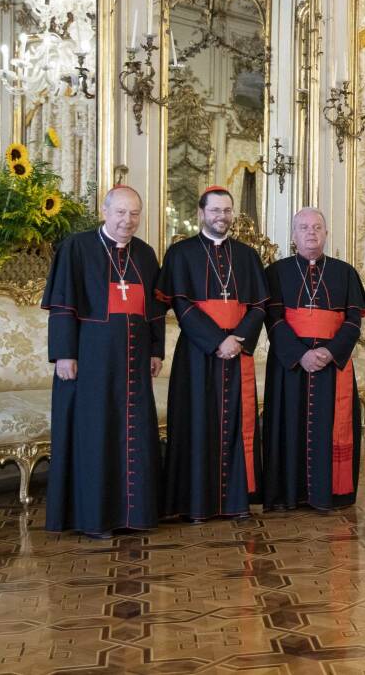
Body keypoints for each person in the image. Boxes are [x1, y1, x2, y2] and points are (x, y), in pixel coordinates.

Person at [42, 186, 166, 538]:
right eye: (121, 213)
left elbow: (154, 310)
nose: (128, 221)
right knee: (95, 433)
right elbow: (63, 303)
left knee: (135, 433)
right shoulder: (76, 248)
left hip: (134, 360)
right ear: (105, 210)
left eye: (134, 214)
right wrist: (64, 353)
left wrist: (156, 350)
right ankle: (94, 517)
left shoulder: (145, 253)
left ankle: (135, 514)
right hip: (91, 360)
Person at [156, 186, 269, 522]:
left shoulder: (247, 256)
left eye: (227, 211)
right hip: (196, 353)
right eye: (216, 211)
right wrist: (215, 341)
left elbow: (260, 303)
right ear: (201, 213)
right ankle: (194, 504)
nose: (222, 217)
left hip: (238, 352)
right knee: (195, 423)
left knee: (237, 422)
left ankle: (235, 501)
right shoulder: (180, 254)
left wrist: (238, 338)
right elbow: (180, 303)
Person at [262, 208, 365, 511]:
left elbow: (353, 320)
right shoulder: (276, 272)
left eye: (317, 227)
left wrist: (329, 352)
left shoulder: (345, 272)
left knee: (330, 428)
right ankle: (288, 494)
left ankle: (330, 493)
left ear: (325, 233)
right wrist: (301, 355)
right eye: (304, 228)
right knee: (288, 425)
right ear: (294, 235)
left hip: (331, 365)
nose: (311, 233)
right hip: (290, 367)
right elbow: (272, 318)